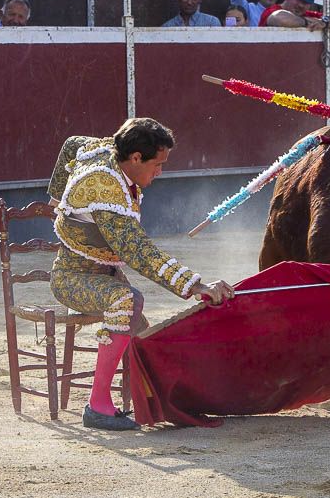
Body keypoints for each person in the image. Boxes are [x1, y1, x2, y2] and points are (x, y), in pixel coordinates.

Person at [46, 119, 234, 430]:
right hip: (71, 278)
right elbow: (138, 252)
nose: (159, 172)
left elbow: (72, 143)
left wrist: (55, 201)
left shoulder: (107, 148)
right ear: (135, 158)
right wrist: (195, 285)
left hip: (105, 273)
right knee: (126, 301)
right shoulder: (103, 188)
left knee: (143, 334)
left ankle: (153, 400)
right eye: (157, 164)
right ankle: (97, 407)